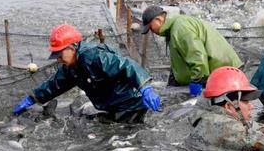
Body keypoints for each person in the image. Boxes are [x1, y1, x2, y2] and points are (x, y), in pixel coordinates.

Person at [14, 23, 160, 123]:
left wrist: (145, 87)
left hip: (130, 104)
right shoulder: (71, 67)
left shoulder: (94, 56)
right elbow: (55, 84)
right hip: (111, 106)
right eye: (55, 55)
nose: (58, 59)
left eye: (59, 54)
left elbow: (126, 65)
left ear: (72, 47)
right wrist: (32, 98)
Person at [141, 6, 243, 96]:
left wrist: (197, 81)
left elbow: (197, 56)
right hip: (215, 75)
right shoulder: (173, 28)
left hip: (223, 75)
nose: (151, 31)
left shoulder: (180, 28)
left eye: (150, 27)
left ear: (158, 19)